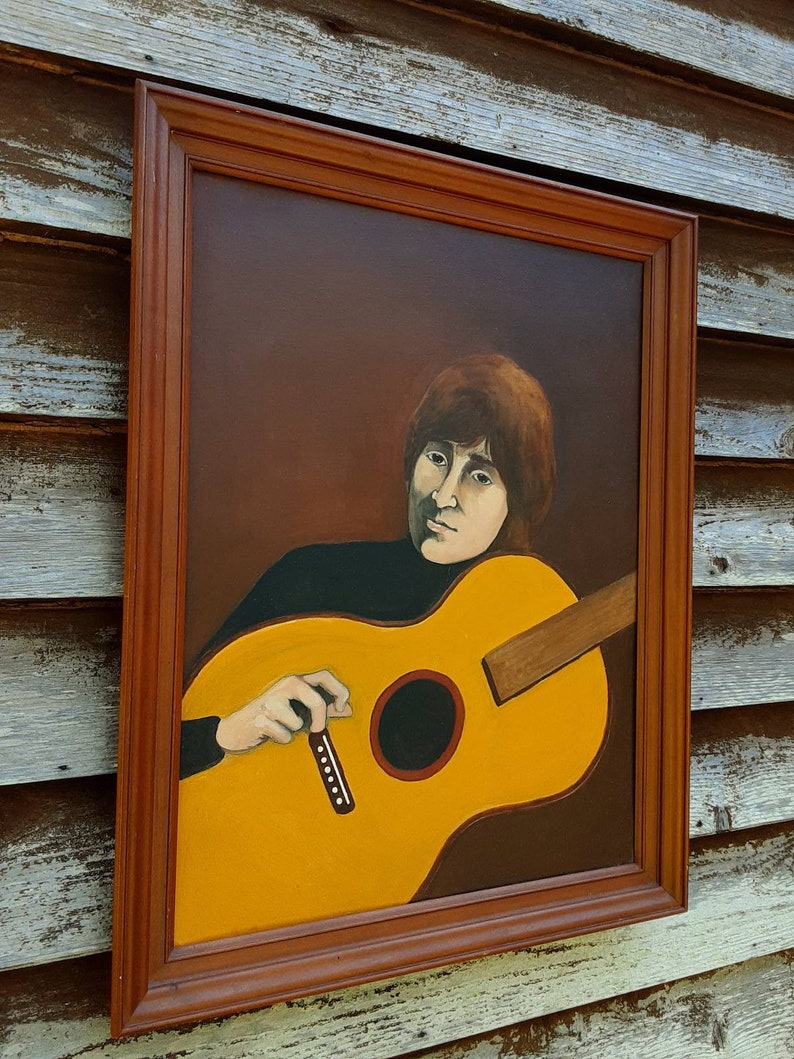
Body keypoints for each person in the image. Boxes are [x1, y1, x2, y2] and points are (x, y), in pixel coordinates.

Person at [180, 353, 555, 779]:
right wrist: (224, 734)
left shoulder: (512, 630)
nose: (445, 494)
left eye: (481, 476)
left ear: (516, 504)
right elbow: (163, 745)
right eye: (437, 458)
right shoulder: (310, 578)